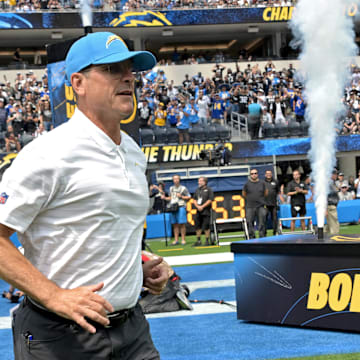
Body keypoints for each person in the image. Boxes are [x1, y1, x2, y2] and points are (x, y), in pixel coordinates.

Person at [0, 32, 168, 360]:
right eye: (111, 69)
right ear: (78, 82)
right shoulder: (49, 153)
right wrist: (53, 296)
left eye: (131, 69)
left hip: (132, 329)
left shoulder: (133, 152)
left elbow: (100, 229)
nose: (128, 77)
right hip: (60, 335)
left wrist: (137, 269)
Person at [163, 174, 191, 245]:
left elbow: (189, 197)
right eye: (174, 179)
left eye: (177, 179)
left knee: (182, 224)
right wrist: (165, 198)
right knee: (175, 224)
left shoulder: (183, 188)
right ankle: (176, 240)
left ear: (179, 180)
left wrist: (181, 196)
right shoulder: (171, 188)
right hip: (173, 207)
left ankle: (183, 240)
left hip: (181, 206)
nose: (176, 180)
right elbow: (170, 197)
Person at [242, 168, 268, 239]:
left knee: (262, 223)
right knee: (249, 223)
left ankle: (262, 238)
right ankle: (251, 238)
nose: (254, 175)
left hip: (261, 206)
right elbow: (244, 194)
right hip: (250, 206)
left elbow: (266, 193)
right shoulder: (247, 184)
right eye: (252, 174)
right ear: (250, 175)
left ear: (258, 174)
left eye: (255, 173)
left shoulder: (262, 183)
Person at [192, 176, 214, 246]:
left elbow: (210, 200)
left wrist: (202, 206)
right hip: (198, 211)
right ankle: (198, 241)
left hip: (206, 211)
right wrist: (198, 206)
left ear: (205, 182)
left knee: (206, 226)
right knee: (197, 226)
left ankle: (207, 241)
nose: (199, 182)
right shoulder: (197, 190)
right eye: (199, 181)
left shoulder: (209, 189)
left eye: (201, 181)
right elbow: (194, 199)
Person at [264, 169, 280, 236]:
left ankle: (275, 232)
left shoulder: (276, 182)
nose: (268, 175)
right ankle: (264, 233)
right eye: (267, 173)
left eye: (270, 173)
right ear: (265, 175)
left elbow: (277, 192)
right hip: (265, 204)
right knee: (264, 219)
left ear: (271, 174)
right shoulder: (262, 182)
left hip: (273, 204)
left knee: (274, 219)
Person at [326, 170, 340, 234]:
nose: (336, 175)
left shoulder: (332, 182)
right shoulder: (329, 182)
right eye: (335, 174)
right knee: (335, 226)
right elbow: (324, 196)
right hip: (330, 206)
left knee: (329, 226)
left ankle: (323, 240)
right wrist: (325, 208)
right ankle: (335, 242)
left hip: (331, 206)